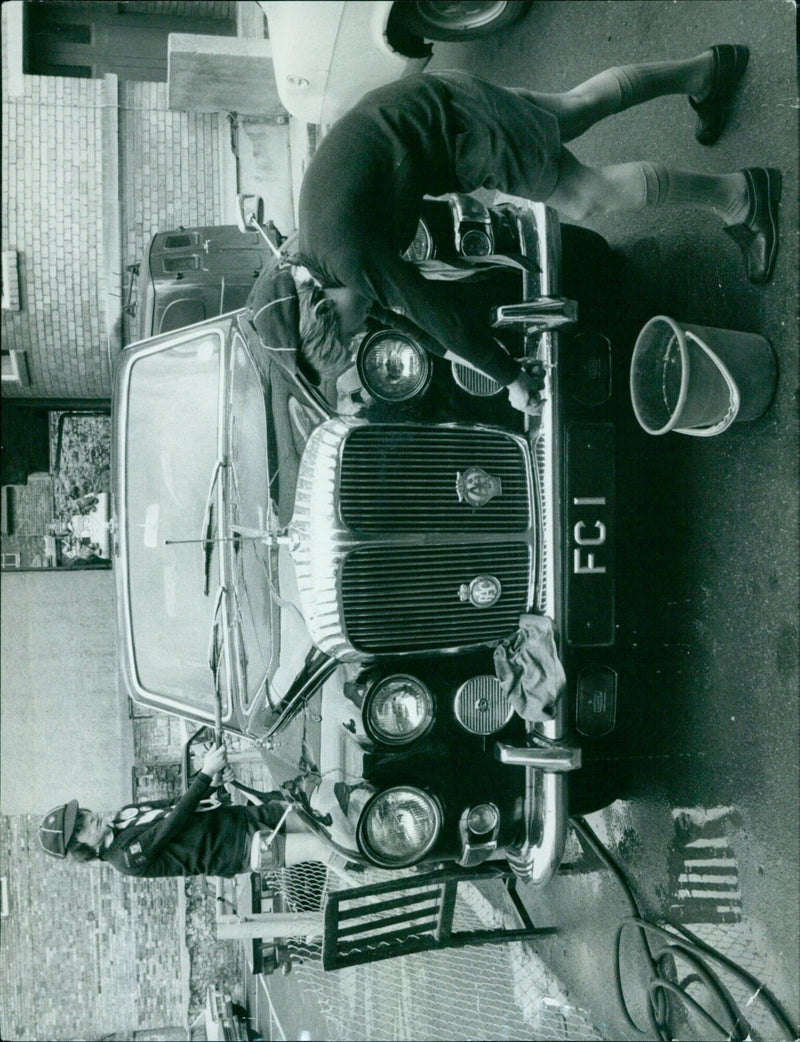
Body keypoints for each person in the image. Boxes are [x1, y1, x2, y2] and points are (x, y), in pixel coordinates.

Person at [266, 45, 777, 414]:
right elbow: (406, 318)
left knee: (584, 195)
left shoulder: (346, 255)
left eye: (351, 334)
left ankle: (742, 197)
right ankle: (709, 71)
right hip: (439, 103)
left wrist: (508, 377)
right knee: (575, 109)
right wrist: (454, 358)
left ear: (328, 314)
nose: (363, 332)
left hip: (460, 131)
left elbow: (428, 307)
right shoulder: (320, 255)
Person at [38, 746, 287, 878]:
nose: (89, 818)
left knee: (308, 818)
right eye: (81, 828)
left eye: (82, 815)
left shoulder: (126, 815)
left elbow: (177, 804)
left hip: (236, 821)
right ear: (81, 847)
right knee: (317, 847)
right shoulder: (125, 858)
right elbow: (171, 824)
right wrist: (205, 773)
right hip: (235, 850)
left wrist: (212, 784)